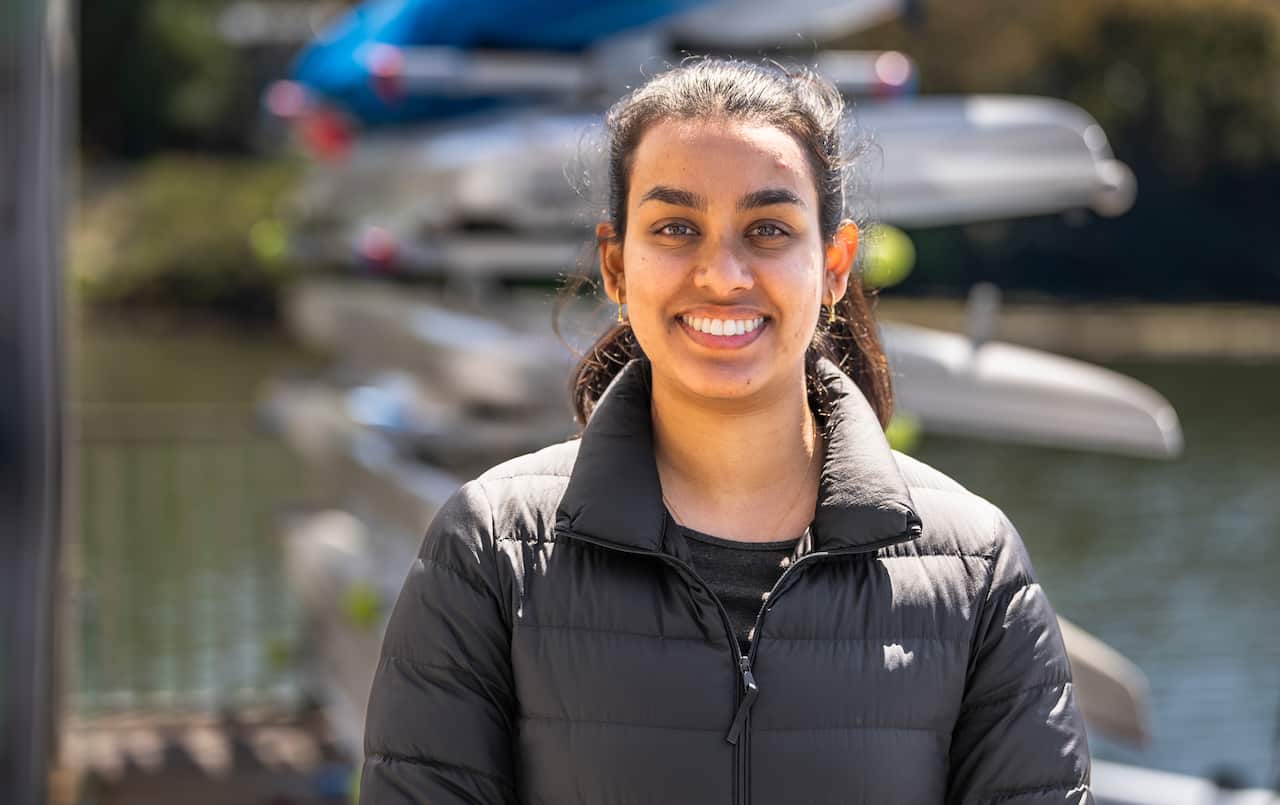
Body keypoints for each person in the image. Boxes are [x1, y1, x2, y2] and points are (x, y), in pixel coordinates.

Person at [359, 58, 1093, 804]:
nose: (723, 274)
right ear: (616, 265)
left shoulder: (975, 568)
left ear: (835, 264)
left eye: (768, 229)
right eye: (676, 228)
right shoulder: (489, 551)